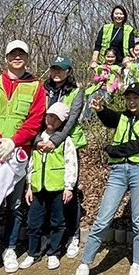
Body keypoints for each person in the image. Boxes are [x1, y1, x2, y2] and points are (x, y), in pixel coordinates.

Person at [72, 82, 139, 275]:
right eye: (129, 97)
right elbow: (109, 117)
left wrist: (112, 149)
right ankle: (85, 265)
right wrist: (100, 109)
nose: (132, 101)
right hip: (118, 172)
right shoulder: (123, 117)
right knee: (103, 218)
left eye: (136, 97)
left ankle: (137, 264)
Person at [0, 40, 46, 275]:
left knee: (14, 206)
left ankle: (11, 249)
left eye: (21, 54)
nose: (17, 58)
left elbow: (35, 119)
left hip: (17, 154)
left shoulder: (36, 87)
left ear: (27, 57)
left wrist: (13, 142)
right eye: (12, 54)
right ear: (6, 58)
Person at [20, 102, 78, 271]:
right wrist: (29, 186)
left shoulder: (65, 140)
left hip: (57, 187)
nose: (51, 120)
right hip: (38, 189)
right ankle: (32, 252)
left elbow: (71, 164)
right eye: (50, 116)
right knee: (33, 222)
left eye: (56, 118)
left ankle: (54, 252)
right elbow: (30, 164)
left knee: (57, 221)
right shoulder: (37, 139)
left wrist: (69, 187)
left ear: (62, 122)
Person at [41, 55, 88, 259]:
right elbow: (36, 117)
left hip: (67, 144)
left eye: (61, 69)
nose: (57, 73)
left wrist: (56, 141)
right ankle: (48, 238)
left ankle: (73, 235)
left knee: (69, 190)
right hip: (42, 144)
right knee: (43, 192)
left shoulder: (75, 92)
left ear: (69, 72)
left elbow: (71, 120)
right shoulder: (42, 91)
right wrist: (38, 140)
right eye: (54, 69)